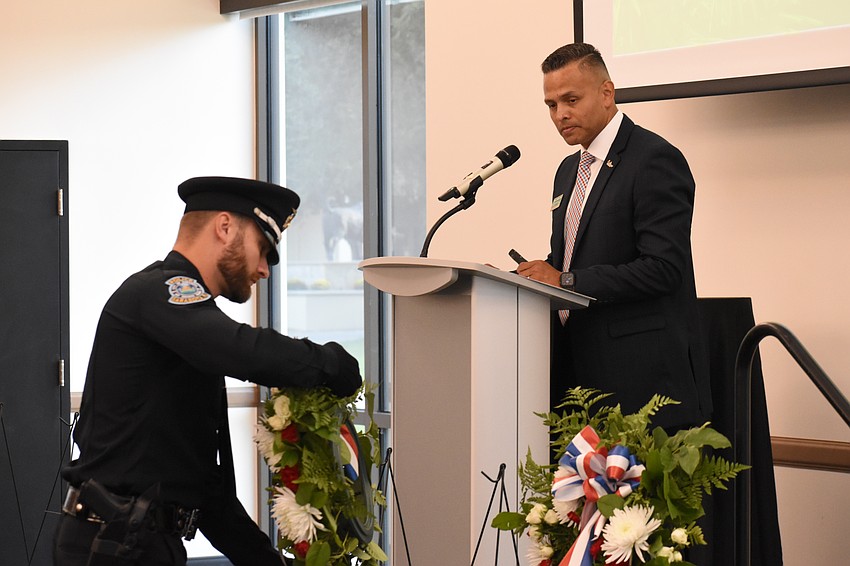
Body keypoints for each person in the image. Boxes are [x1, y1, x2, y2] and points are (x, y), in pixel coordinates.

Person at [54, 177, 362, 566]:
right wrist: (331, 364)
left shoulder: (187, 323)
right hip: (111, 543)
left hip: (141, 542)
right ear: (225, 227)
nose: (265, 270)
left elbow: (202, 485)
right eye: (263, 250)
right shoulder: (159, 293)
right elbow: (243, 350)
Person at [516, 43, 712, 431]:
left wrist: (566, 281)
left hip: (639, 383)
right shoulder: (569, 169)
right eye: (551, 105)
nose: (561, 114)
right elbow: (570, 257)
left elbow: (662, 268)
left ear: (607, 93)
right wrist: (518, 279)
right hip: (574, 377)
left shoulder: (653, 158)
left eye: (571, 99)